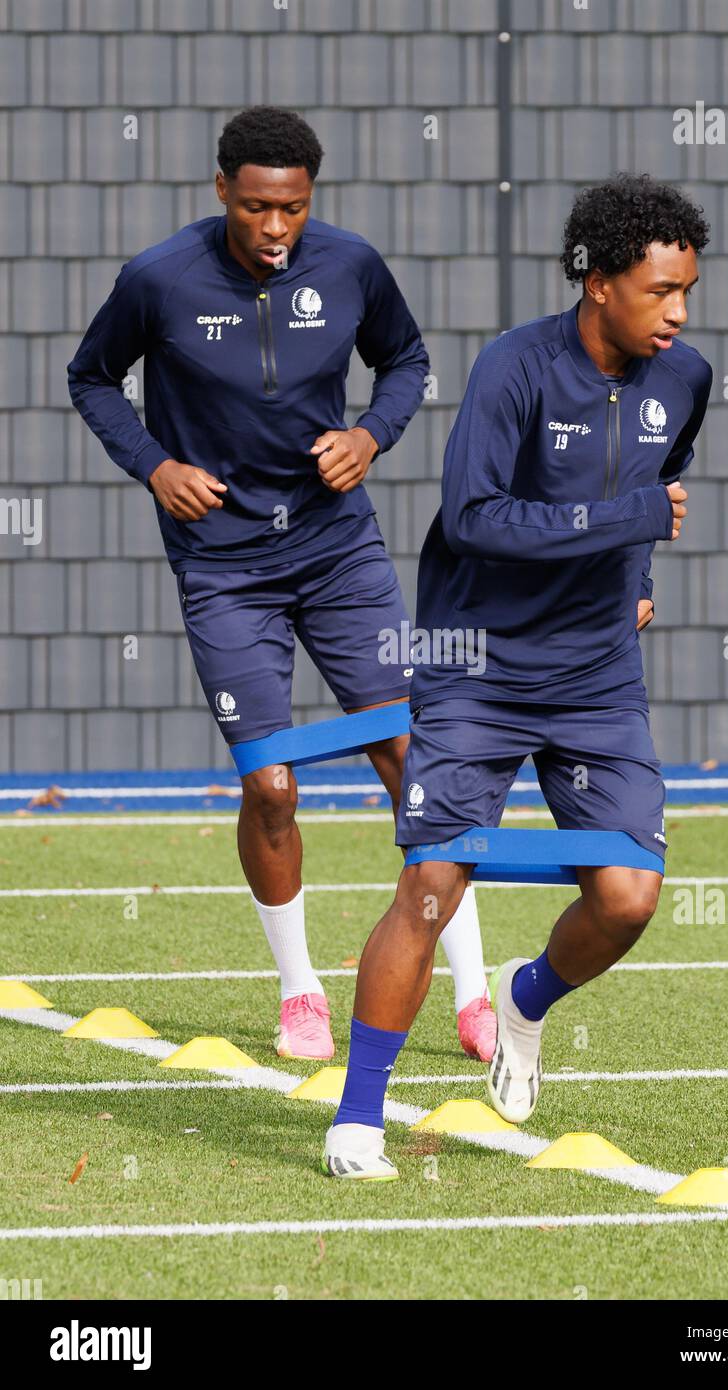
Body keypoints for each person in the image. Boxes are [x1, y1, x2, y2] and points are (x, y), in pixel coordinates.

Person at [67, 105, 496, 1065]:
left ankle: (474, 991)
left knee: (411, 763)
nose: (275, 230)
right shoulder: (157, 279)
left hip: (338, 552)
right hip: (224, 567)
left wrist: (369, 434)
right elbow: (92, 378)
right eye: (257, 207)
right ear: (222, 189)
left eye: (292, 209)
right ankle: (300, 990)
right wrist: (153, 466)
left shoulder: (349, 265)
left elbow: (409, 362)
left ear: (311, 199)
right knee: (270, 786)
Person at [322, 173, 713, 1180]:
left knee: (627, 898)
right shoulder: (513, 370)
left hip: (595, 673)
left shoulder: (687, 375)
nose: (676, 312)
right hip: (474, 663)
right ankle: (357, 1120)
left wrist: (635, 575)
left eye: (686, 292)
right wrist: (626, 528)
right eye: (658, 291)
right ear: (598, 284)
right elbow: (475, 519)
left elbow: (649, 490)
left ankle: (525, 998)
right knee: (431, 882)